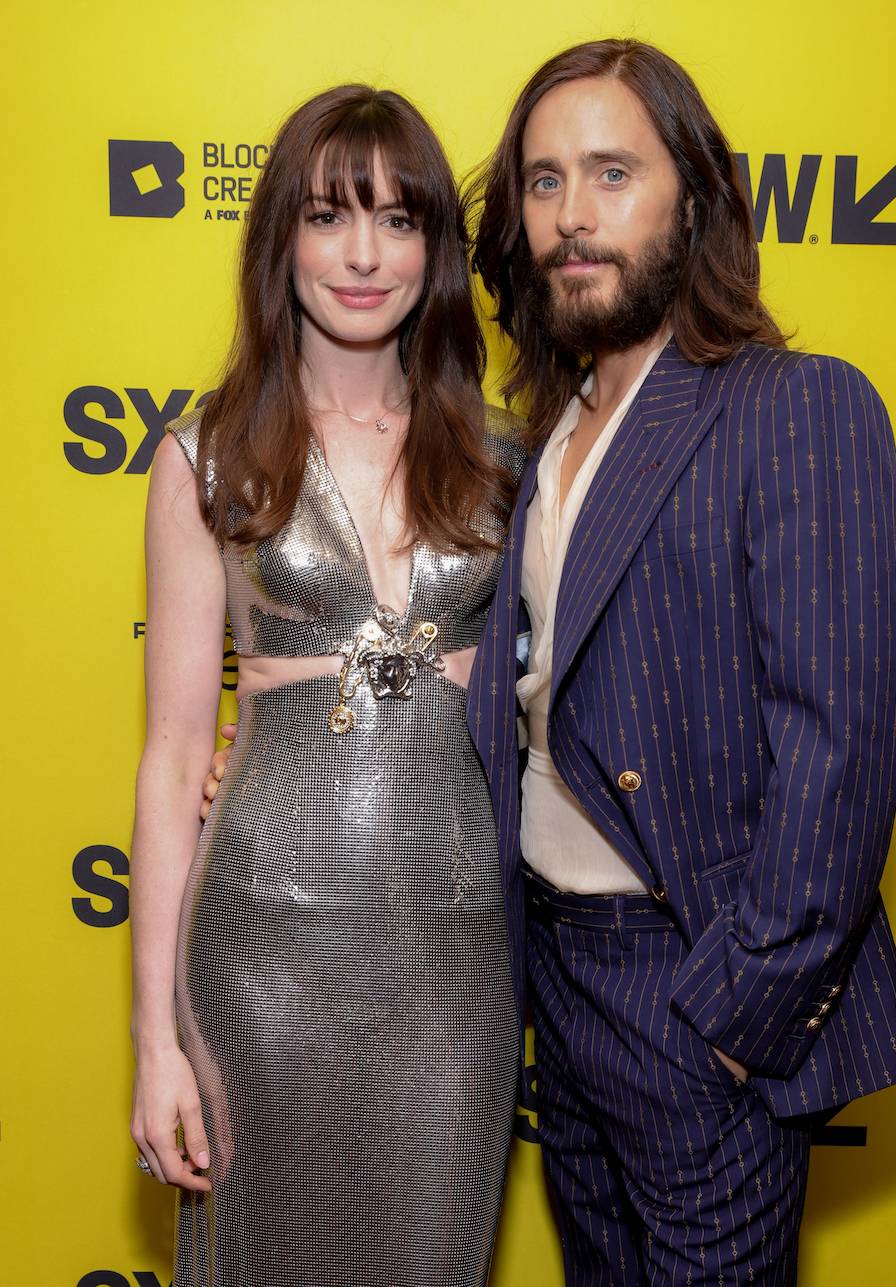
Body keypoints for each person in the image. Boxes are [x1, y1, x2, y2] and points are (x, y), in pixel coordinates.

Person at [462, 38, 896, 1285]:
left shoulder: (794, 405)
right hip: (554, 977)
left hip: (690, 984)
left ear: (695, 197)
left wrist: (734, 1021)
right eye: (545, 182)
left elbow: (839, 747)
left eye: (612, 172)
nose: (571, 216)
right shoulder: (537, 440)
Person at [130, 84, 524, 1287]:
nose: (363, 254)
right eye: (328, 216)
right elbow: (170, 750)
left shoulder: (511, 454)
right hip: (262, 945)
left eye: (398, 220)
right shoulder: (206, 454)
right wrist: (154, 1039)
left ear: (435, 252)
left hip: (453, 959)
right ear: (280, 241)